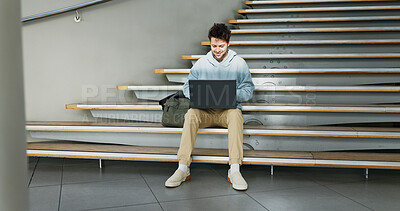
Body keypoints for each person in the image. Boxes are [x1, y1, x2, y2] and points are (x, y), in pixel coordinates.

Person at [165, 23, 255, 191]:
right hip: (205, 111)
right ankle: (182, 167)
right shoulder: (201, 63)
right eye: (214, 45)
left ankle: (234, 169)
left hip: (228, 111)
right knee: (191, 114)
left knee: (236, 115)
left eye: (221, 46)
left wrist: (230, 94)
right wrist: (199, 94)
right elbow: (186, 87)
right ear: (210, 43)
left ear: (228, 43)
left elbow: (248, 90)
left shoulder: (239, 63)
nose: (217, 49)